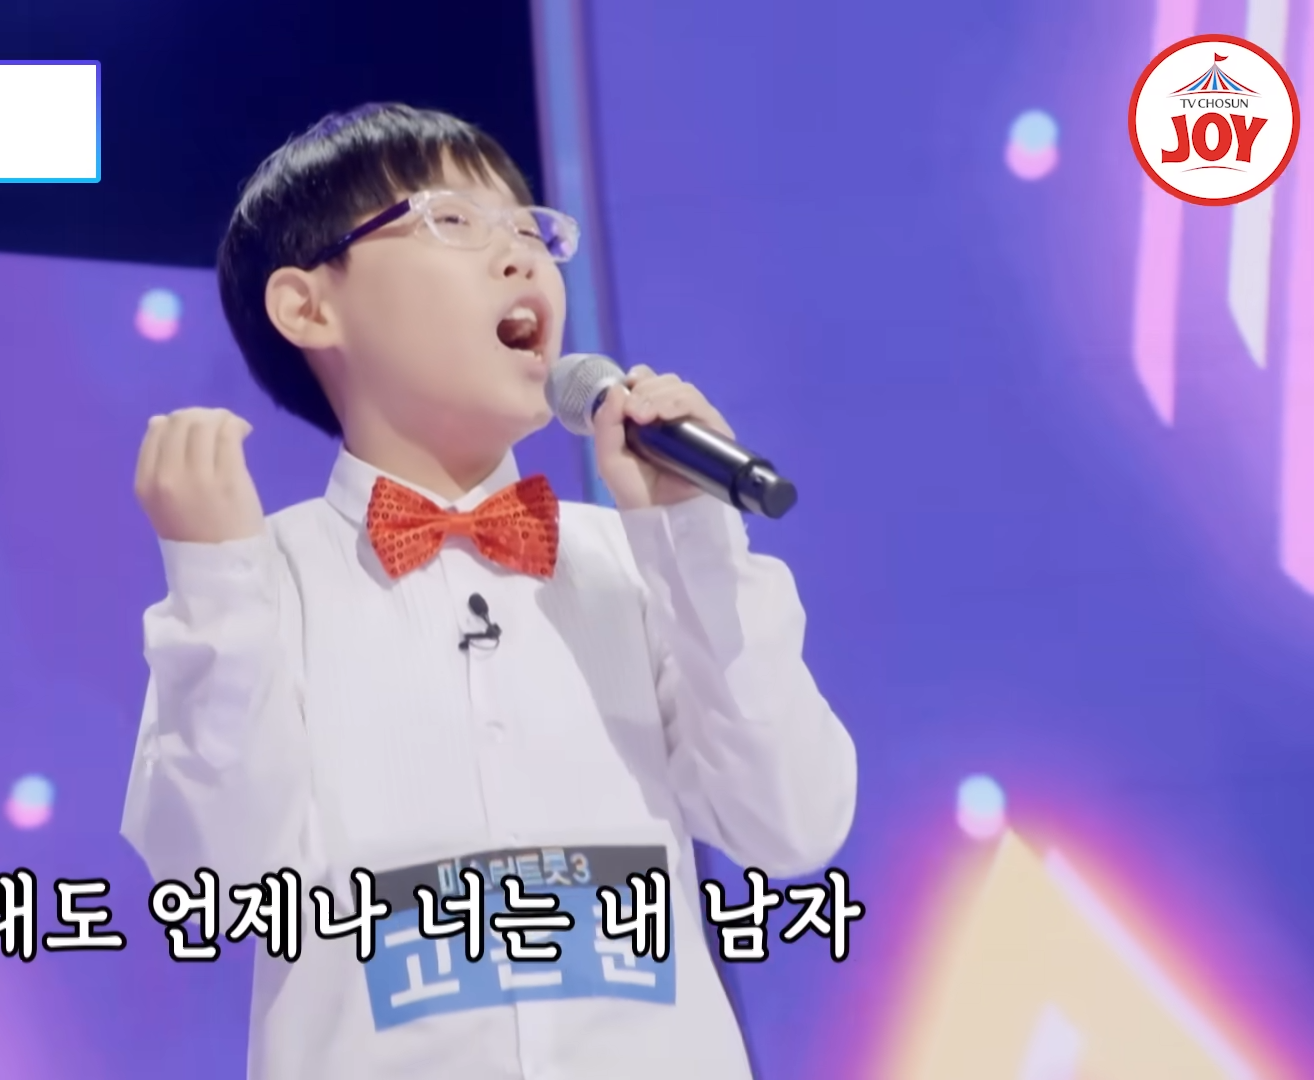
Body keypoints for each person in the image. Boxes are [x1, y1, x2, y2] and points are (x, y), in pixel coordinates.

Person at [121, 102, 856, 1080]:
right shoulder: (259, 588)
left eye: (533, 230)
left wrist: (694, 538)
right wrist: (214, 579)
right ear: (308, 307)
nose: (521, 257)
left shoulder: (633, 566)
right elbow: (218, 884)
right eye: (455, 221)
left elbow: (791, 822)